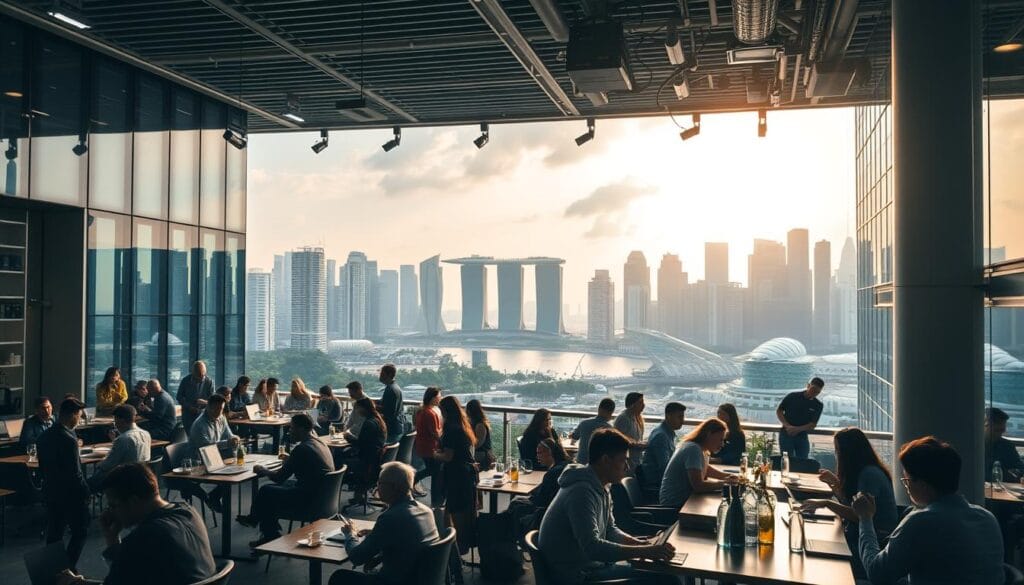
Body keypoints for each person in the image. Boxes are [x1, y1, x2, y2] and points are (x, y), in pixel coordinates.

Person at [852, 436, 1004, 584]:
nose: (907, 487)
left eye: (907, 480)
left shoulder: (922, 522)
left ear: (923, 485)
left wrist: (865, 518)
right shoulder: (987, 517)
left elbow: (876, 574)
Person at [538, 428, 677, 584]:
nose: (627, 467)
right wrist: (647, 551)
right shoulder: (581, 492)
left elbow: (610, 530)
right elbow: (593, 547)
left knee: (663, 575)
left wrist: (640, 545)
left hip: (590, 567)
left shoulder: (600, 485)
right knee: (666, 579)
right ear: (605, 460)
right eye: (623, 460)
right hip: (577, 575)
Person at [54, 463, 216, 585]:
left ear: (133, 501)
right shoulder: (188, 511)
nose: (110, 512)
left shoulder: (145, 536)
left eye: (113, 505)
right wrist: (113, 537)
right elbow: (127, 576)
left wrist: (76, 583)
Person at [801, 427, 897, 577]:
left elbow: (859, 515)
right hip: (862, 536)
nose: (836, 454)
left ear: (848, 453)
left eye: (838, 450)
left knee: (816, 557)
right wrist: (836, 484)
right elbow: (854, 507)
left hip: (873, 542)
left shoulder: (869, 475)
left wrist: (827, 503)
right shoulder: (867, 470)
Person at [328, 462, 440, 585]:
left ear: (394, 487)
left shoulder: (390, 518)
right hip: (418, 579)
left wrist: (350, 534)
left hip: (395, 581)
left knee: (339, 577)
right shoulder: (426, 511)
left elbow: (357, 557)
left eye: (380, 483)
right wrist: (376, 538)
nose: (377, 487)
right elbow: (408, 542)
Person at [240, 413, 334, 546]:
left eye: (292, 428)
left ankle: (264, 528)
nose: (289, 432)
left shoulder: (301, 449)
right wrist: (291, 459)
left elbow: (279, 478)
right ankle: (260, 524)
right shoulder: (319, 442)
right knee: (274, 492)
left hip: (309, 500)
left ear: (301, 429)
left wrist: (263, 470)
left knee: (266, 490)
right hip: (324, 497)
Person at [37, 397, 91, 569]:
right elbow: (76, 473)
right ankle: (67, 568)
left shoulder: (43, 437)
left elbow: (43, 468)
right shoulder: (69, 439)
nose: (80, 419)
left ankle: (53, 570)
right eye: (79, 415)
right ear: (72, 415)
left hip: (51, 491)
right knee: (80, 532)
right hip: (71, 494)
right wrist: (86, 491)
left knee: (54, 534)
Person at [659, 418, 736, 508]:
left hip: (684, 500)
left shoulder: (701, 449)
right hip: (673, 506)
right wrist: (725, 483)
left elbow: (705, 469)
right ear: (709, 434)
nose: (722, 444)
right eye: (720, 439)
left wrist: (729, 476)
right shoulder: (693, 449)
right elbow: (698, 486)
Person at [434, 396, 478, 553]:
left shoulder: (451, 429)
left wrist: (434, 454)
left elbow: (448, 456)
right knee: (460, 510)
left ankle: (458, 547)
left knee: (455, 511)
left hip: (456, 475)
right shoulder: (462, 426)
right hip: (465, 473)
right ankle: (457, 546)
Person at [187, 394, 240, 512]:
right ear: (208, 407)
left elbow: (228, 434)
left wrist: (234, 438)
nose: (219, 412)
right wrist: (227, 442)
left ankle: (214, 496)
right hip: (199, 461)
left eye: (221, 409)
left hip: (215, 457)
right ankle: (213, 497)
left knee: (235, 471)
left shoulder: (221, 417)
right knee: (229, 475)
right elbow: (207, 446)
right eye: (216, 409)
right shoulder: (199, 425)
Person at [88, 405, 151, 492]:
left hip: (123, 478)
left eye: (115, 421)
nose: (115, 425)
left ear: (121, 420)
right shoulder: (146, 434)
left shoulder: (124, 439)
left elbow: (108, 465)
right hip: (139, 477)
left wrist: (99, 464)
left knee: (89, 481)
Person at [347, 397, 387, 505]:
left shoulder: (369, 423)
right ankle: (359, 494)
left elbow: (361, 444)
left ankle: (352, 491)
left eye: (357, 409)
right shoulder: (378, 420)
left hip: (367, 461)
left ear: (363, 409)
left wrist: (349, 438)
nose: (356, 412)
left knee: (339, 461)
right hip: (375, 459)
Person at [640, 402, 686, 491]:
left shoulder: (667, 433)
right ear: (668, 416)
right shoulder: (661, 436)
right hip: (657, 484)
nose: (683, 421)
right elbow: (665, 467)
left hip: (661, 481)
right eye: (679, 417)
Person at [776, 377, 825, 459]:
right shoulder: (792, 396)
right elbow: (779, 411)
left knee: (803, 460)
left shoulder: (818, 405)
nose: (814, 393)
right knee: (786, 459)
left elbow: (813, 424)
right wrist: (787, 426)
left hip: (802, 435)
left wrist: (797, 429)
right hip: (786, 433)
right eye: (813, 389)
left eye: (817, 392)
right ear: (808, 386)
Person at [413, 387, 443, 503]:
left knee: (432, 470)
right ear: (433, 398)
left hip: (422, 446)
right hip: (430, 447)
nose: (440, 399)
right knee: (435, 472)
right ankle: (436, 499)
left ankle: (413, 480)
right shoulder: (430, 413)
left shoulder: (422, 410)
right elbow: (435, 433)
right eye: (438, 397)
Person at [571, 398, 614, 464]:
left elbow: (574, 437)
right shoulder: (609, 428)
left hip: (581, 462)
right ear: (611, 413)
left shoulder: (584, 423)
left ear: (599, 409)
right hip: (598, 465)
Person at [985, 407, 1023, 481]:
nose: (1000, 434)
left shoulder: (1007, 446)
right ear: (985, 426)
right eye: (997, 430)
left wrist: (1016, 473)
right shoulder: (972, 447)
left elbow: (1020, 469)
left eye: (1003, 430)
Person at [177, 360, 214, 429]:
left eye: (203, 375)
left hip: (204, 415)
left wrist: (204, 402)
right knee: (191, 436)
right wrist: (189, 407)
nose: (201, 378)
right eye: (198, 376)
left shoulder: (209, 382)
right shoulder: (185, 381)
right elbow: (179, 397)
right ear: (193, 373)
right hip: (188, 416)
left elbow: (213, 401)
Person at [614, 392, 645, 470]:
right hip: (626, 464)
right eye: (640, 402)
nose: (644, 405)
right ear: (632, 405)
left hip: (635, 462)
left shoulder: (636, 418)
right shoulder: (623, 418)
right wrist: (637, 444)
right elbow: (618, 440)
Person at [379, 364, 406, 443]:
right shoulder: (395, 387)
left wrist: (372, 407)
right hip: (398, 426)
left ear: (389, 374)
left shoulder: (390, 390)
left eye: (382, 374)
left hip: (391, 428)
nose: (380, 376)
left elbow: (388, 411)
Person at [466, 398, 494, 470]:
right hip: (480, 453)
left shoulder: (479, 425)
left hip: (482, 454)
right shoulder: (475, 423)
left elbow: (478, 444)